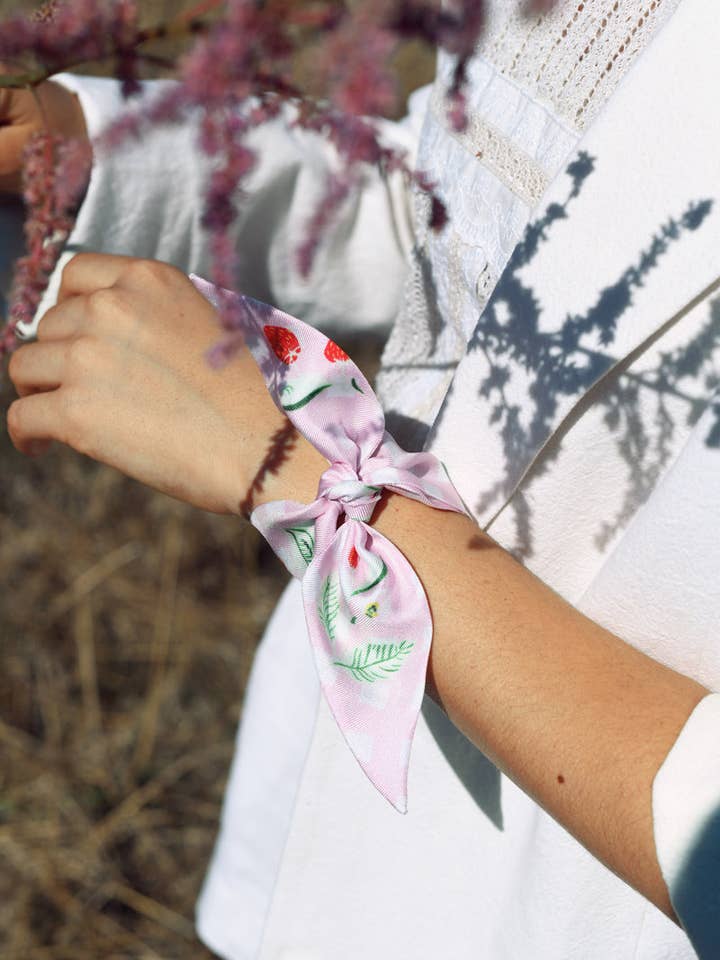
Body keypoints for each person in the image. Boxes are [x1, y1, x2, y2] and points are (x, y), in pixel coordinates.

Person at [2, 0, 720, 957]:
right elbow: (457, 198)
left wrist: (301, 473)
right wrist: (96, 152)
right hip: (339, 795)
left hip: (566, 903)